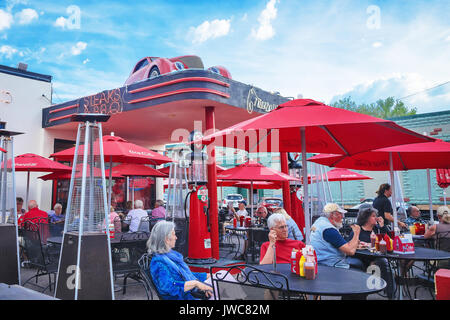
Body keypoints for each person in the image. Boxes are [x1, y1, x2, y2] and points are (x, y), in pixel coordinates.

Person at [148, 220, 213, 300]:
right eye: (174, 234)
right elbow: (169, 287)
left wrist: (206, 276)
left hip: (188, 295)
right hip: (182, 298)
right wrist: (196, 284)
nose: (176, 237)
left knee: (222, 276)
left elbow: (184, 275)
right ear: (167, 239)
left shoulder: (170, 255)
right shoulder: (158, 262)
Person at [349, 205, 395, 299]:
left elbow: (389, 241)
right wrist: (362, 244)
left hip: (375, 258)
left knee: (384, 262)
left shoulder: (377, 229)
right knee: (382, 262)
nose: (377, 218)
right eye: (373, 216)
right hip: (361, 259)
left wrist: (382, 226)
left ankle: (391, 295)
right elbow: (350, 245)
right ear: (366, 218)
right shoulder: (358, 231)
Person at [310, 203, 363, 270]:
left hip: (320, 262)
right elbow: (351, 251)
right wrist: (356, 233)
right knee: (360, 264)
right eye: (340, 214)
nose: (342, 216)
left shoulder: (319, 222)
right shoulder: (329, 230)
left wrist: (354, 243)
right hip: (332, 265)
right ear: (333, 215)